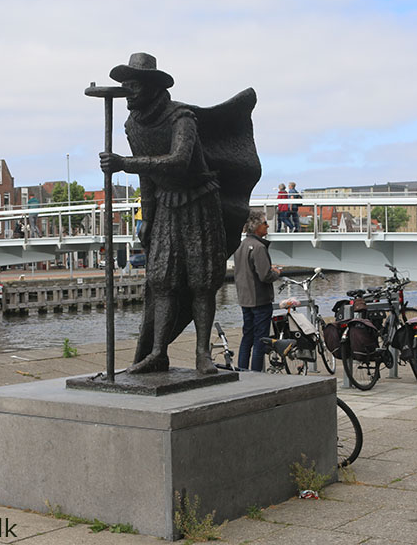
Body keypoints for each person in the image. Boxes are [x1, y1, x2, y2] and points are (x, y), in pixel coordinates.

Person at [99, 52, 260, 374]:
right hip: (167, 207)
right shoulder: (133, 124)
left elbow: (179, 161)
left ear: (151, 87)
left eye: (133, 86)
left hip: (199, 204)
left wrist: (123, 165)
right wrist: (146, 216)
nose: (128, 92)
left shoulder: (180, 117)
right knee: (161, 281)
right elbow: (149, 177)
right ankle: (158, 352)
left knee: (202, 282)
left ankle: (202, 354)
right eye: (125, 86)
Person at [233, 211, 281, 371]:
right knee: (261, 339)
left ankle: (242, 370)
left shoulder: (241, 245)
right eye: (265, 223)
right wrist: (277, 273)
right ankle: (256, 373)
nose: (267, 226)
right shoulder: (259, 247)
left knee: (247, 336)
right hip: (260, 299)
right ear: (257, 226)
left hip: (245, 298)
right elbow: (265, 275)